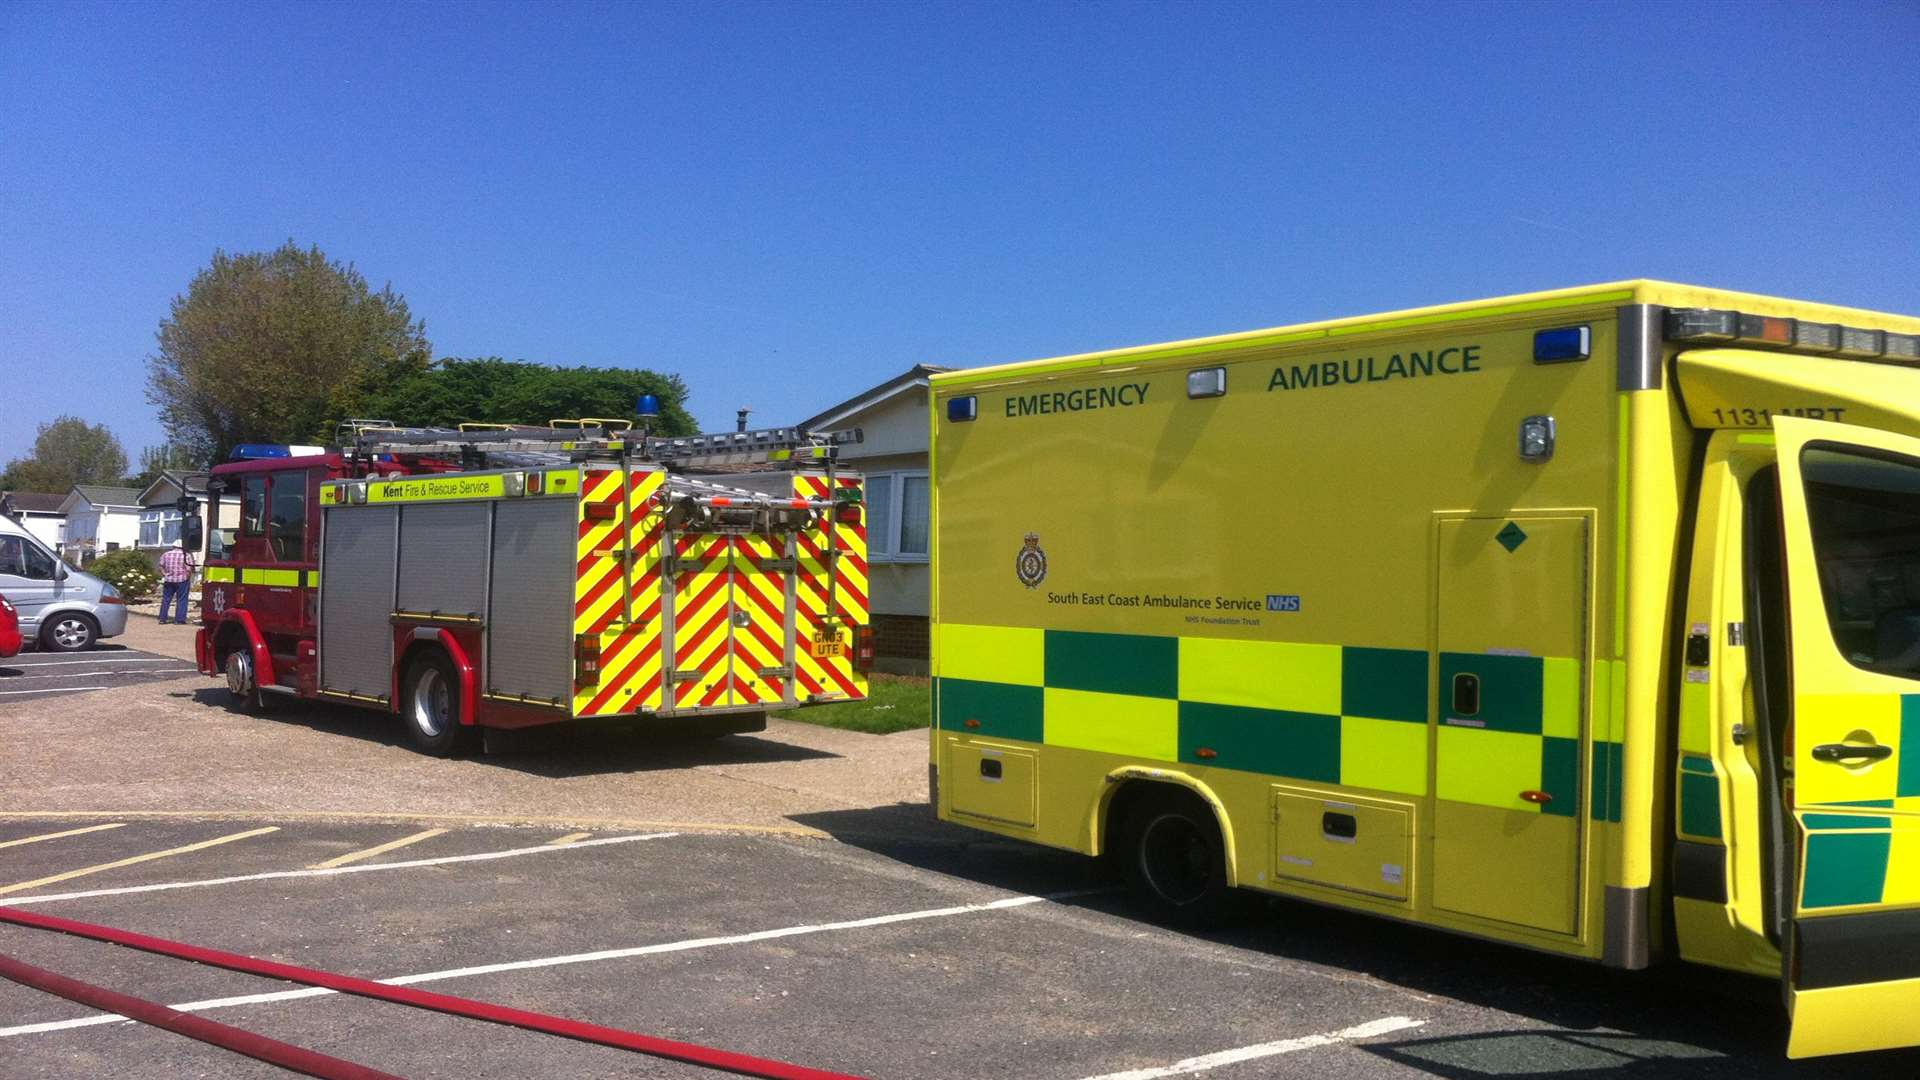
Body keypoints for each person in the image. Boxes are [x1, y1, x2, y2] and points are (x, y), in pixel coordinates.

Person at [158, 539, 196, 625]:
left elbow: (161, 566)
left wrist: (165, 574)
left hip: (169, 580)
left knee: (166, 599)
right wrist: (188, 577)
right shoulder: (186, 555)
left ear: (173, 546)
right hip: (182, 580)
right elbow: (189, 569)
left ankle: (162, 619)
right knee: (182, 599)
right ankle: (179, 620)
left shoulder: (166, 554)